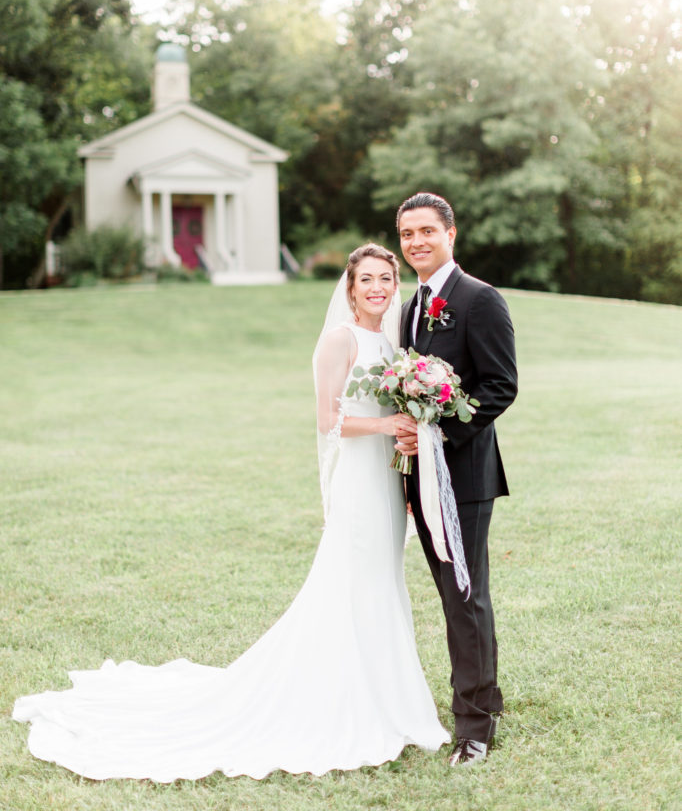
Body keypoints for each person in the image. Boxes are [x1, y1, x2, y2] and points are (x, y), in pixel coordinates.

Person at [12, 243, 449, 782]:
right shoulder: (340, 340)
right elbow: (326, 419)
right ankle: (341, 701)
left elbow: (393, 409)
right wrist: (385, 427)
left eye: (387, 278)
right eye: (368, 280)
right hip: (357, 484)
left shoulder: (390, 343)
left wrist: (406, 435)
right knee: (351, 584)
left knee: (383, 583)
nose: (379, 287)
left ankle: (390, 699)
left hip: (386, 481)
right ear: (351, 287)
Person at [393, 193, 518, 766]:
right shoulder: (411, 306)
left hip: (462, 477)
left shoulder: (478, 299)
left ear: (451, 233)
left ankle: (474, 726)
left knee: (464, 598)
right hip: (418, 476)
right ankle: (484, 697)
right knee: (454, 595)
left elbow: (499, 386)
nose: (415, 242)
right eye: (405, 233)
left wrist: (437, 432)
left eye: (425, 231)